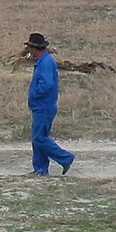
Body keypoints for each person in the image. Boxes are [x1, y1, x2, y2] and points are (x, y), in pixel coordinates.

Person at [24, 33, 75, 176]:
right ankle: (40, 170)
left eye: (30, 48)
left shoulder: (46, 62)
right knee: (38, 138)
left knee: (39, 138)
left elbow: (46, 84)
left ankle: (66, 158)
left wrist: (34, 94)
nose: (29, 50)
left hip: (43, 106)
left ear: (35, 48)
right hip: (41, 106)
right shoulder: (44, 60)